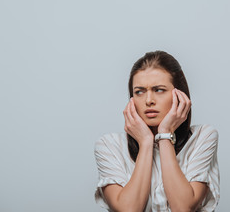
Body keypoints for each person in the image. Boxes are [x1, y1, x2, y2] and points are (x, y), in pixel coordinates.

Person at [94, 51, 220, 211]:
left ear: (180, 95)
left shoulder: (203, 137)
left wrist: (165, 134)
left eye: (159, 90)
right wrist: (146, 142)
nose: (148, 100)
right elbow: (129, 210)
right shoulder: (109, 146)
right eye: (139, 91)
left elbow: (182, 208)